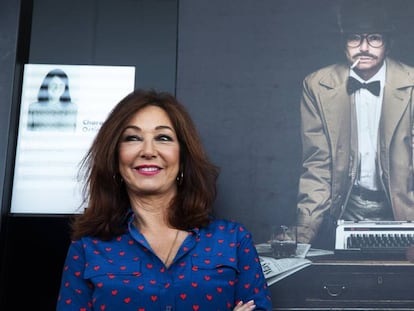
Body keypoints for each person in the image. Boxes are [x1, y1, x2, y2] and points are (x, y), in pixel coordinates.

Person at [56, 89, 272, 310]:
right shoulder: (87, 248)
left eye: (163, 138)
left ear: (183, 156)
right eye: (133, 138)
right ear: (115, 157)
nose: (148, 151)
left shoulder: (233, 241)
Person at [296, 0, 414, 249]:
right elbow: (316, 165)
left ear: (388, 42)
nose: (364, 47)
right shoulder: (316, 86)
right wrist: (303, 235)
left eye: (374, 38)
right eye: (354, 38)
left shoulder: (412, 84)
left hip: (404, 211)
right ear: (342, 42)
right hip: (344, 213)